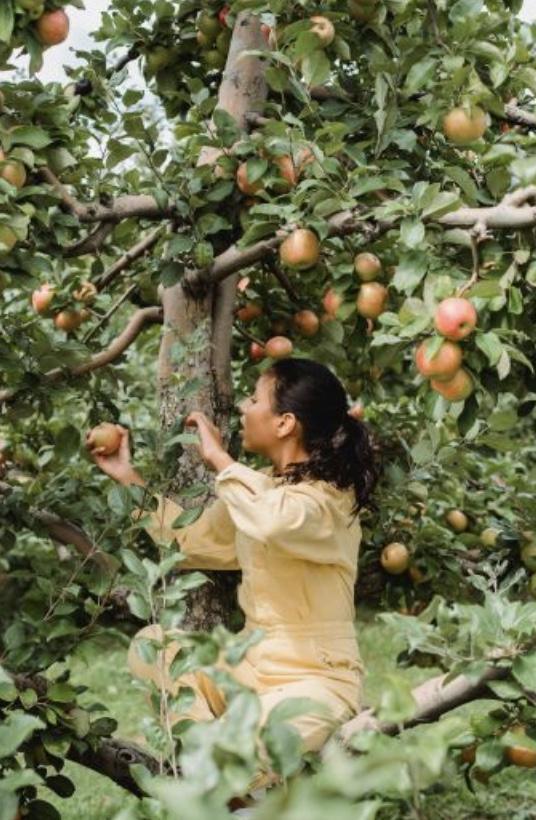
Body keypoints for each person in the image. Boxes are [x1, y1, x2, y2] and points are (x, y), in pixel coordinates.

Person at [90, 357, 378, 788]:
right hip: (251, 666)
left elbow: (274, 520)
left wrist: (221, 461)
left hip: (317, 679)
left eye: (254, 399)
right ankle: (214, 773)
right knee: (156, 645)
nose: (244, 407)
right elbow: (191, 541)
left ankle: (226, 782)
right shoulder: (262, 487)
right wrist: (128, 477)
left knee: (242, 758)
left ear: (285, 423)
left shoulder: (330, 498)